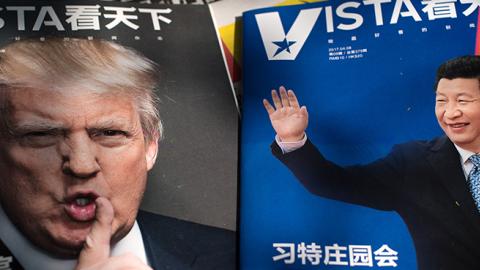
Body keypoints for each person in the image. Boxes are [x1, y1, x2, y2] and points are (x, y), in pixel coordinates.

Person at [0, 38, 235, 270]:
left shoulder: (236, 255)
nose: (81, 166)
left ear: (150, 146)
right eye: (41, 135)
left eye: (110, 133)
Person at [263, 55, 480, 270]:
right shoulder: (415, 162)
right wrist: (293, 139)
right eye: (441, 101)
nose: (450, 113)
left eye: (462, 101)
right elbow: (330, 182)